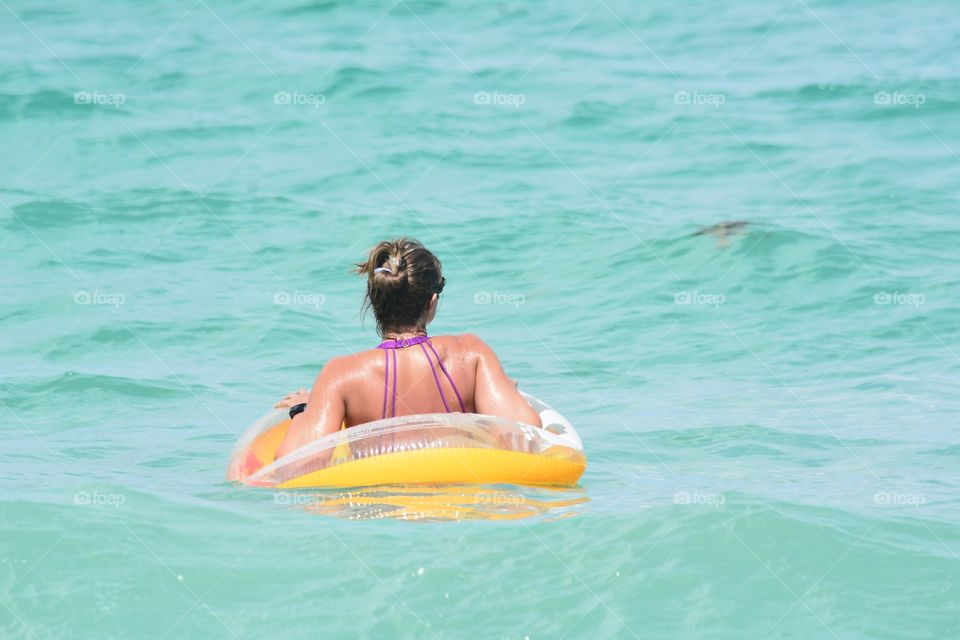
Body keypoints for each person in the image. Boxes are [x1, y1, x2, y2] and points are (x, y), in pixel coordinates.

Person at [273, 238, 541, 459]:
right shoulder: (471, 354)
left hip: (380, 508)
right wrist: (503, 391)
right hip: (458, 506)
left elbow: (295, 465)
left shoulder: (341, 374)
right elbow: (527, 436)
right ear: (432, 302)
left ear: (374, 301)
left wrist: (303, 410)